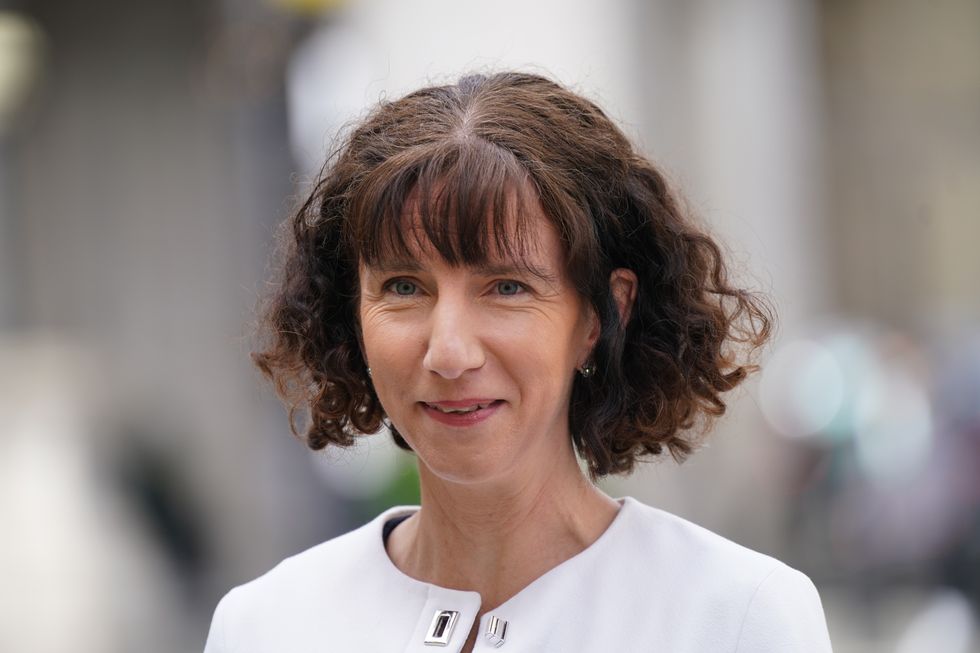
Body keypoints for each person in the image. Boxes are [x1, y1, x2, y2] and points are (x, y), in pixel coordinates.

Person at [204, 71, 833, 652]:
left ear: (600, 315)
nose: (449, 352)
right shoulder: (265, 626)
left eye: (507, 287)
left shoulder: (736, 618)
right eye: (403, 286)